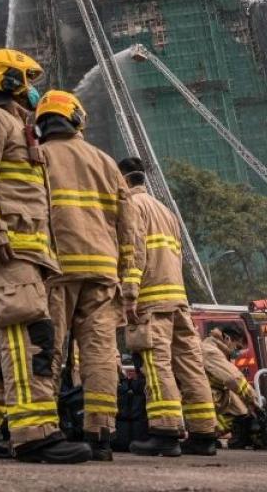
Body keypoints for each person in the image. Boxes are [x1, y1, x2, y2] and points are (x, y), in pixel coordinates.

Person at [0, 50, 91, 464]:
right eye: (27, 80)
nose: (33, 90)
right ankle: (35, 435)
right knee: (31, 336)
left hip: (25, 249)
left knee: (2, 340)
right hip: (7, 247)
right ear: (9, 80)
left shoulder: (15, 125)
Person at [36, 90, 137, 461]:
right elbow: (129, 228)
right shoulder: (106, 162)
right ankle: (101, 434)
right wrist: (129, 280)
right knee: (98, 354)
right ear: (77, 119)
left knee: (49, 351)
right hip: (103, 272)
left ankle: (47, 431)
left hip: (57, 270)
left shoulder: (38, 157)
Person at [119, 156, 217, 457]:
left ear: (123, 180)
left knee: (155, 363)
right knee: (190, 365)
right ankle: (204, 434)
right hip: (178, 300)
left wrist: (130, 292)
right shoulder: (166, 211)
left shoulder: (132, 207)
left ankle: (165, 432)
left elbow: (134, 251)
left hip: (151, 300)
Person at [202, 324, 261, 449]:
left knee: (241, 407)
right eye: (238, 347)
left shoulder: (220, 351)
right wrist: (256, 402)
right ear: (227, 338)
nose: (238, 352)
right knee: (240, 397)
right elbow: (233, 378)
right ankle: (205, 434)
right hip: (201, 398)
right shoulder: (210, 351)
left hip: (211, 397)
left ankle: (211, 433)